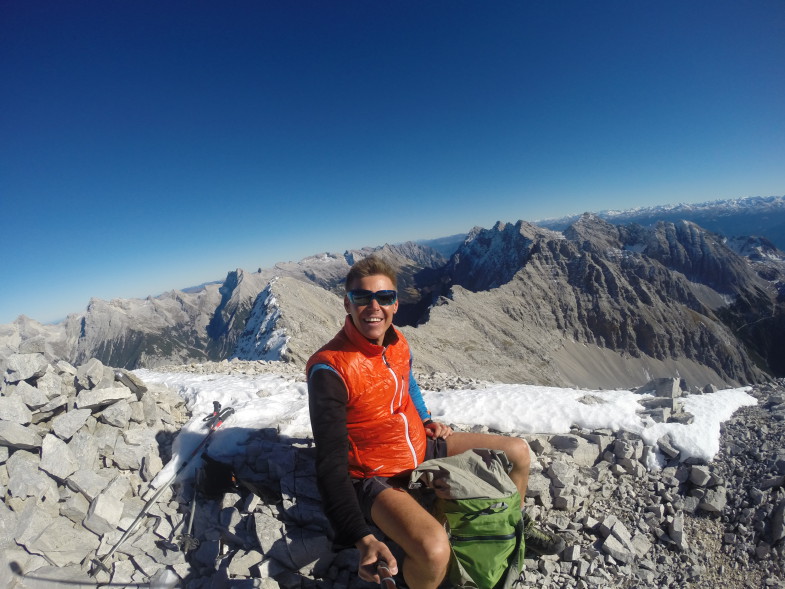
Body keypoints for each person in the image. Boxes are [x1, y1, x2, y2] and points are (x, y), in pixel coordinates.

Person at [307, 256, 564, 589]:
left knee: (517, 451)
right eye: (362, 297)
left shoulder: (396, 342)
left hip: (419, 444)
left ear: (395, 304)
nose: (374, 306)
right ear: (347, 303)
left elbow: (407, 383)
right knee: (434, 549)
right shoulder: (329, 368)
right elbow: (330, 464)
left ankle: (513, 524)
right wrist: (359, 537)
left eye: (384, 298)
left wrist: (426, 419)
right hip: (374, 473)